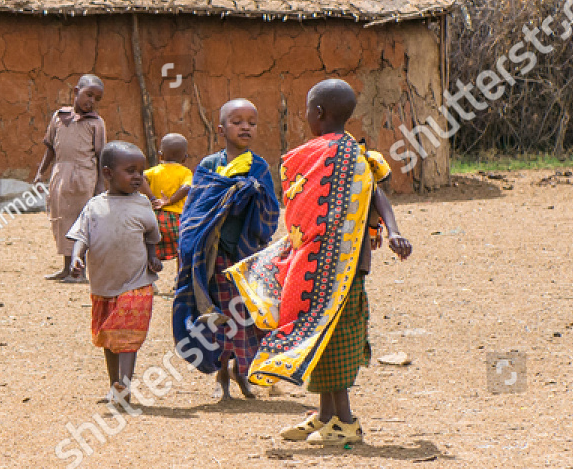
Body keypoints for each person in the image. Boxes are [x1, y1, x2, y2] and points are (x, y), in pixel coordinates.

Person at [233, 79, 413, 445]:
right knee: (315, 332)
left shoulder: (349, 157)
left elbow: (376, 196)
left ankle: (345, 423)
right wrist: (392, 233)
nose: (304, 115)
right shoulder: (340, 154)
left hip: (344, 268)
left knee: (334, 339)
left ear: (317, 113)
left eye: (306, 108)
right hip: (313, 258)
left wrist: (392, 231)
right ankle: (326, 416)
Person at [170, 99, 281, 400]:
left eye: (251, 122)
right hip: (213, 255)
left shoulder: (259, 167)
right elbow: (196, 210)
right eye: (237, 121)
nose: (245, 126)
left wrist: (250, 194)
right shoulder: (209, 166)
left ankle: (242, 373)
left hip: (245, 256)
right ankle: (222, 378)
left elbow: (271, 209)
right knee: (217, 317)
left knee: (245, 318)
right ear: (221, 128)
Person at [67, 141, 162, 408]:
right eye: (130, 171)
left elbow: (151, 236)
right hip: (104, 285)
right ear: (108, 173)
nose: (137, 177)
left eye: (141, 171)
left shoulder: (143, 204)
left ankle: (125, 385)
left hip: (137, 282)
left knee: (128, 334)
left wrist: (153, 257)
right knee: (109, 336)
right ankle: (115, 386)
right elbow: (81, 236)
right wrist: (76, 258)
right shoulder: (94, 206)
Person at [36, 74, 106, 281]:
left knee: (81, 223)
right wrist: (41, 172)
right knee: (61, 221)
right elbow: (50, 148)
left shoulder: (96, 123)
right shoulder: (59, 117)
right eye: (88, 95)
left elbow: (100, 155)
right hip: (60, 175)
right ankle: (66, 268)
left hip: (84, 177)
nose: (91, 101)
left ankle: (79, 271)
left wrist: (100, 183)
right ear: (76, 92)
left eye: (96, 98)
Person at [144, 133, 193, 263]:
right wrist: (169, 201)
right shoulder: (185, 172)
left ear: (160, 155)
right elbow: (186, 188)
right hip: (177, 220)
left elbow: (140, 178)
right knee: (181, 252)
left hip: (154, 220)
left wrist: (153, 198)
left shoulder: (153, 171)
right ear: (185, 158)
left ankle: (149, 278)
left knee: (150, 252)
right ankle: (179, 279)